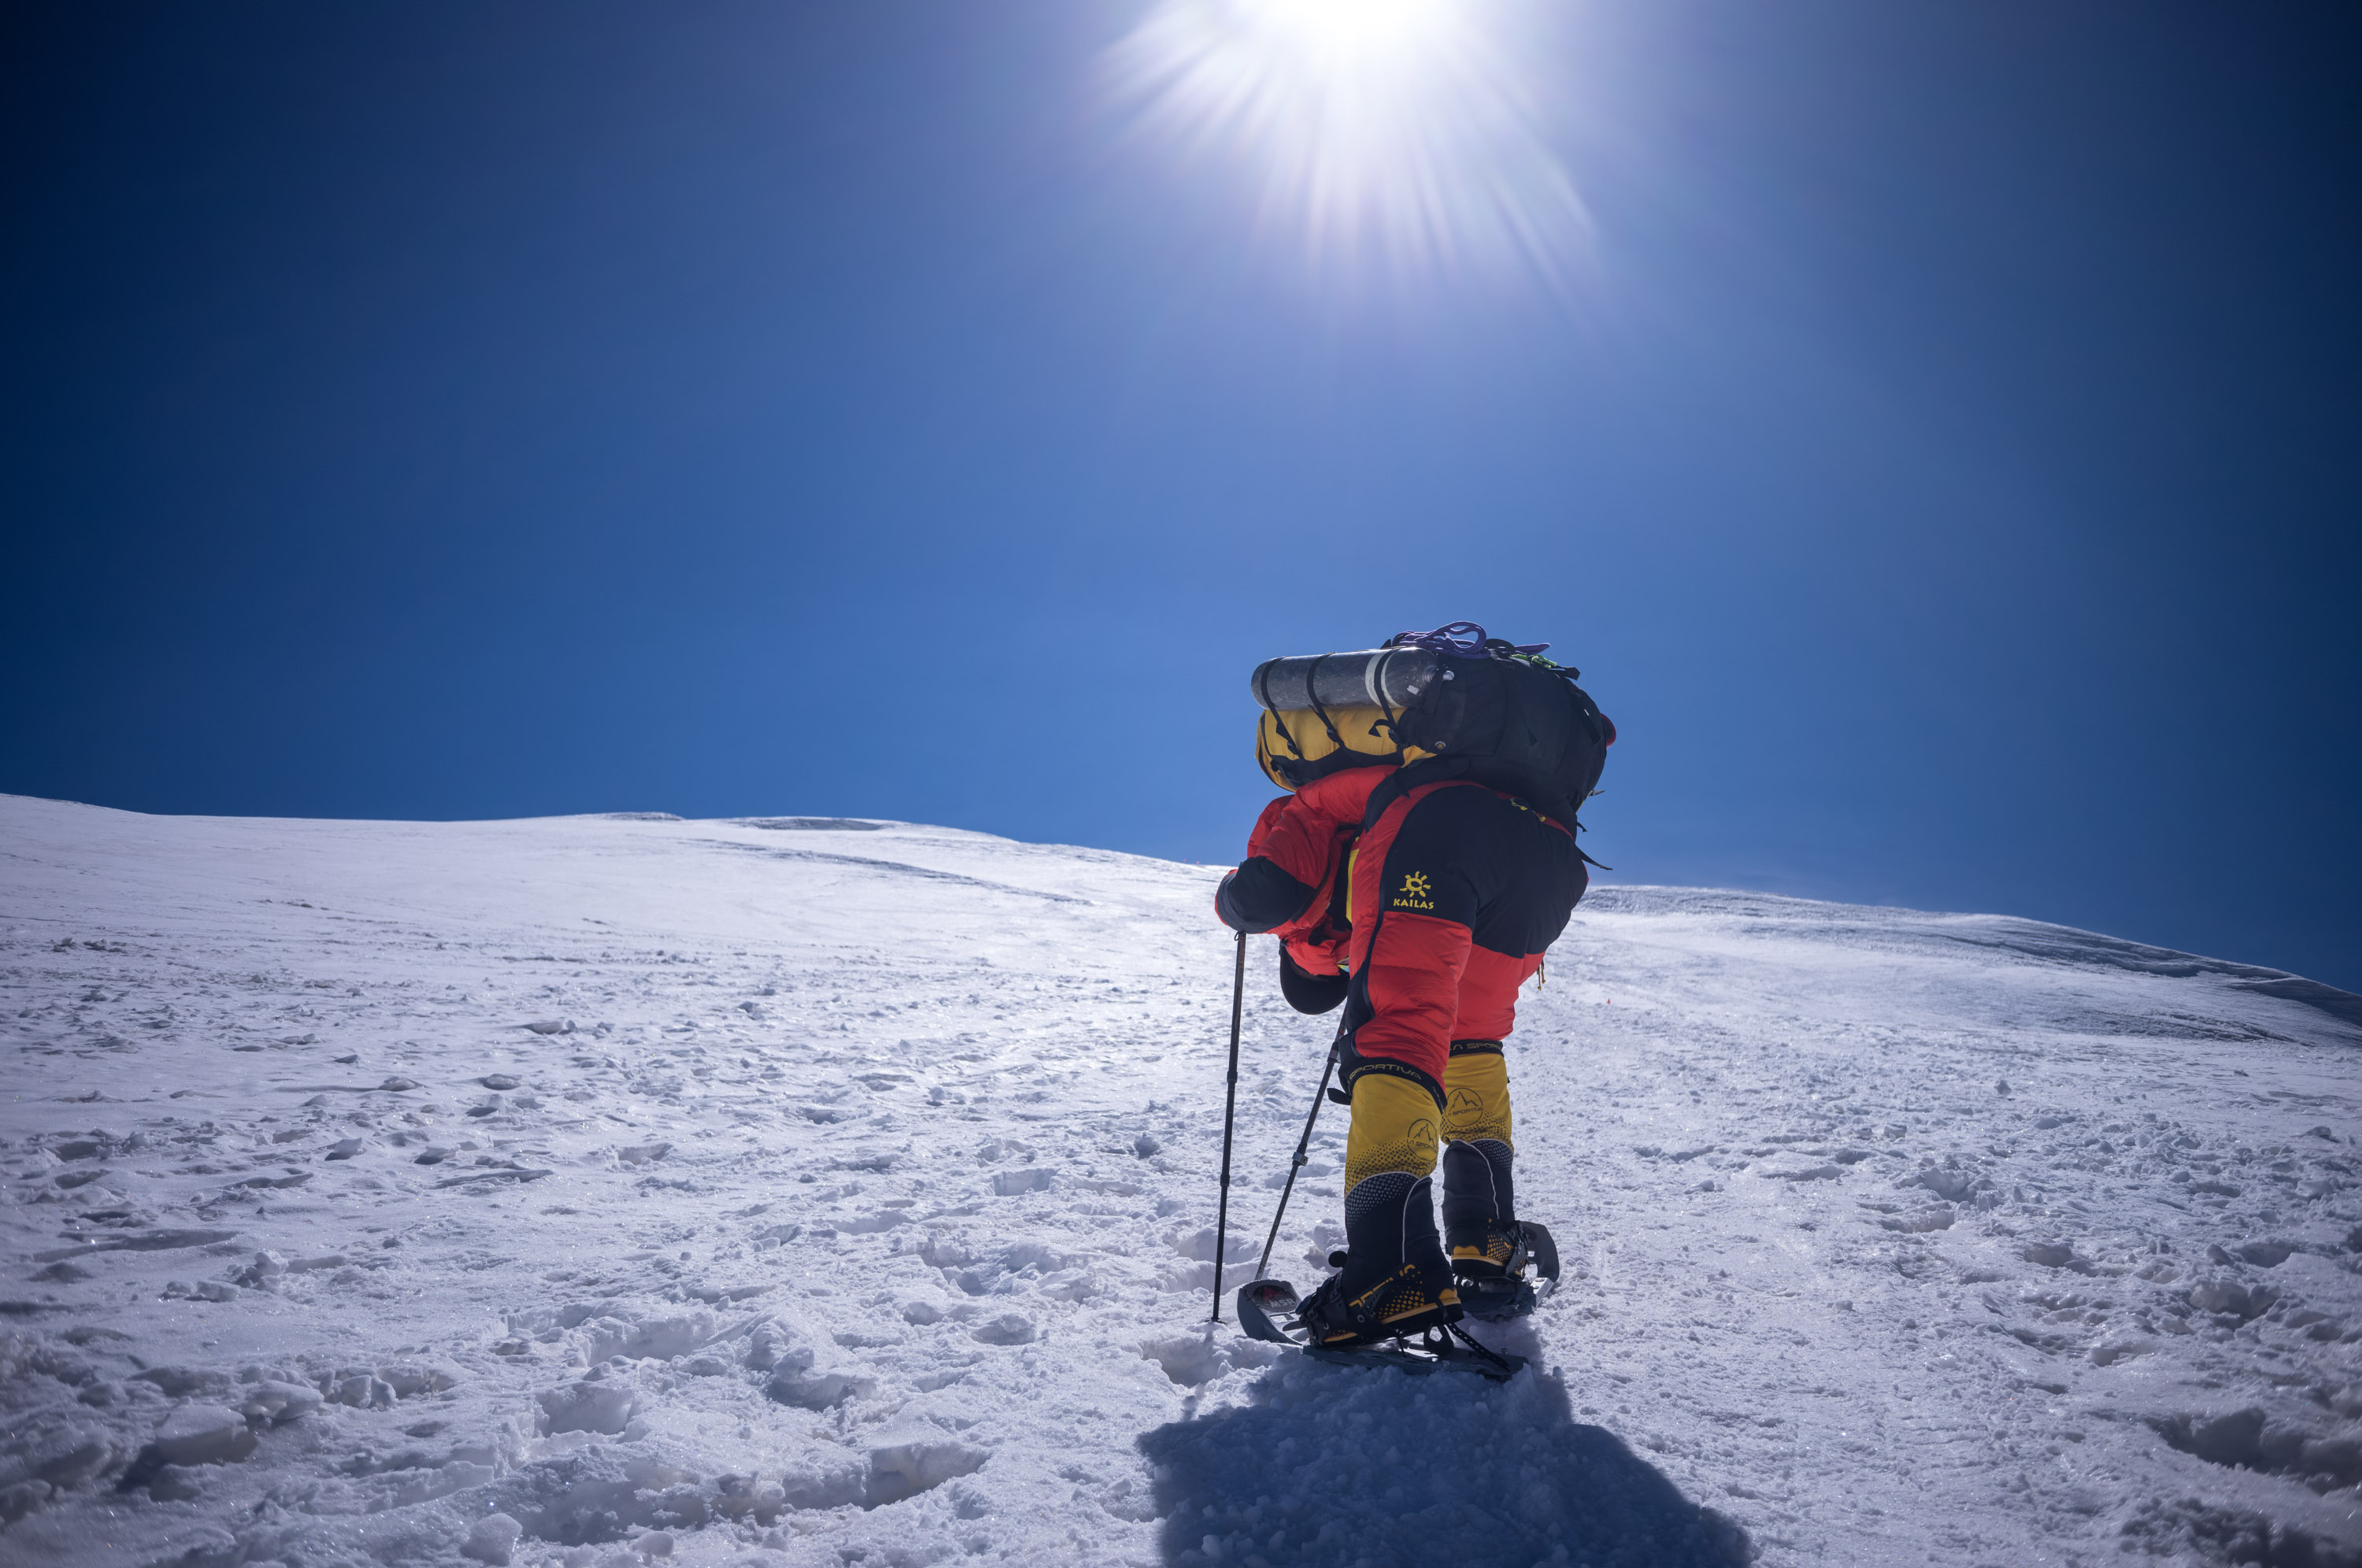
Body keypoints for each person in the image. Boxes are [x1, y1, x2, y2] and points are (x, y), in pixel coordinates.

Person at [1216, 651, 1593, 1347]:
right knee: (1468, 1040)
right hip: (1549, 860)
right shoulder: (1418, 766)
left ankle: (1388, 1276)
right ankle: (1487, 1241)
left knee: (1397, 1029)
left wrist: (1229, 901)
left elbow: (1271, 893)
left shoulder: (1308, 804)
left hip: (1440, 838)